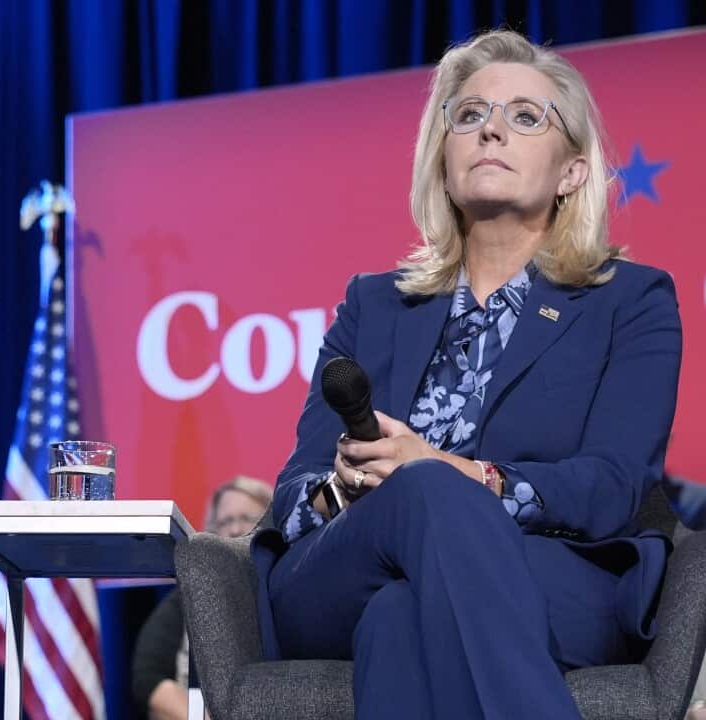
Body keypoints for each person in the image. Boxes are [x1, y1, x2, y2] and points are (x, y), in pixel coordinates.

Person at [251, 30, 681, 719]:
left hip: (554, 571)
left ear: (572, 172)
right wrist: (346, 488)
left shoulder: (630, 300)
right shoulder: (373, 303)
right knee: (420, 494)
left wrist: (461, 473)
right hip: (344, 569)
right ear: (444, 159)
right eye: (470, 114)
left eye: (525, 116)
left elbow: (613, 485)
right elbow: (296, 490)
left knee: (399, 618)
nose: (491, 131)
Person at [131, 476, 271, 720]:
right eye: (226, 521)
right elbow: (148, 679)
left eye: (247, 518)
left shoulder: (286, 594)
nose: (235, 529)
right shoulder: (187, 596)